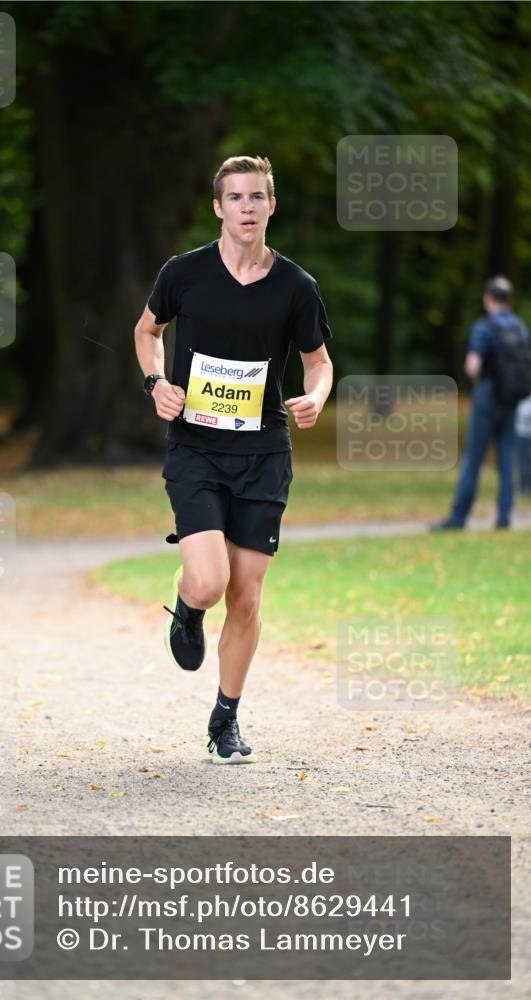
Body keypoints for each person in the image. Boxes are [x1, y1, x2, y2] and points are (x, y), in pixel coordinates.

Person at [134, 155, 333, 764]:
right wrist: (156, 383)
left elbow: (319, 361)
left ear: (272, 206)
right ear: (218, 208)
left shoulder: (296, 287)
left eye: (258, 198)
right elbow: (146, 332)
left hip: (263, 454)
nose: (247, 208)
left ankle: (225, 718)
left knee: (246, 597)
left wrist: (317, 397)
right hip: (196, 447)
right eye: (236, 198)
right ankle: (188, 609)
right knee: (210, 581)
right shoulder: (184, 273)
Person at [431, 276, 530, 531]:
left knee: (473, 457)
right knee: (507, 457)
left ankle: (459, 517)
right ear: (509, 299)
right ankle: (505, 518)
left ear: (487, 299)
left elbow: (473, 366)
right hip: (511, 398)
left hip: (487, 395)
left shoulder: (485, 327)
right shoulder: (520, 327)